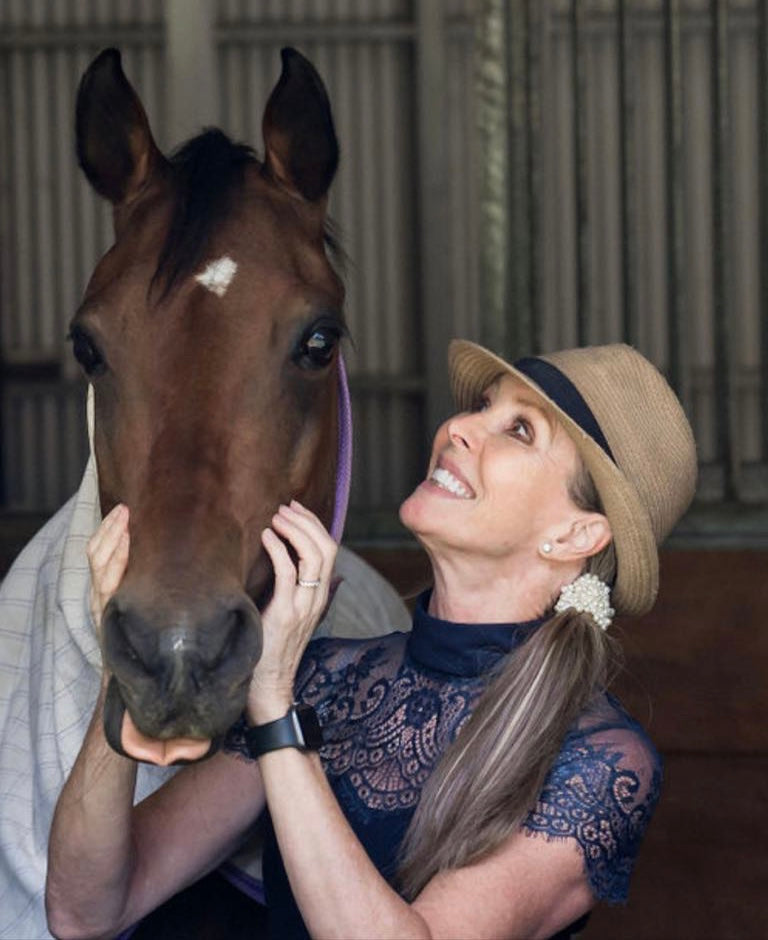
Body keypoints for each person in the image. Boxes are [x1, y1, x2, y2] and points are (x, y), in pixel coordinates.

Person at [45, 339, 697, 940]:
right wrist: (121, 668)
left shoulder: (602, 760)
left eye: (518, 431)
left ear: (575, 537)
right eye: (482, 408)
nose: (458, 427)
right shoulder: (330, 678)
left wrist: (273, 708)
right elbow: (85, 910)